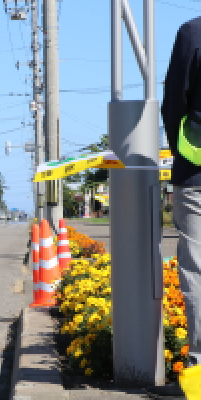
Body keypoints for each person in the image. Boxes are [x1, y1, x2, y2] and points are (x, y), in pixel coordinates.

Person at [146, 16, 201, 398]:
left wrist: (179, 148)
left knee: (198, 271)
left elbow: (173, 104)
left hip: (197, 172)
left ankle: (199, 378)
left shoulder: (193, 32)